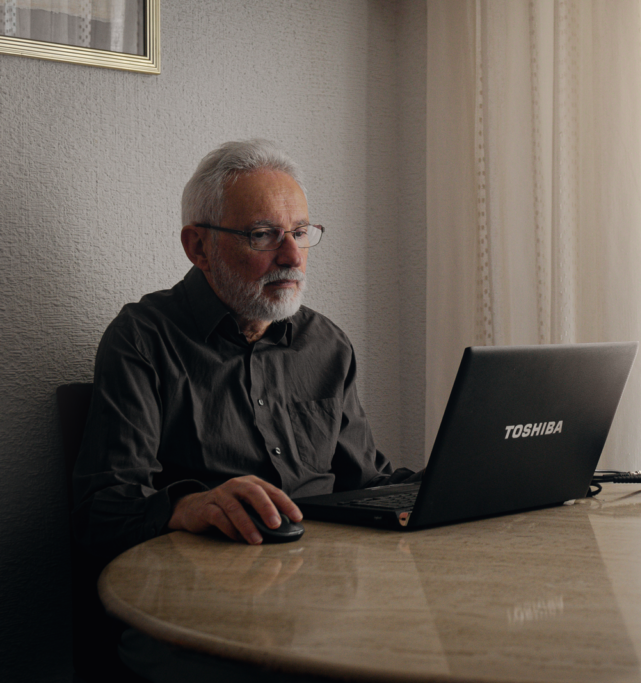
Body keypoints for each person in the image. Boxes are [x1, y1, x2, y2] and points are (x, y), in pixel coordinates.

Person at [73, 139, 416, 559]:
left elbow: (363, 485)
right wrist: (188, 506)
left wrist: (459, 478)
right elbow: (102, 510)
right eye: (262, 235)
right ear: (199, 247)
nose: (292, 255)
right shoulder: (143, 339)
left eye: (300, 232)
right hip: (204, 585)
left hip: (324, 581)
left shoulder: (327, 344)